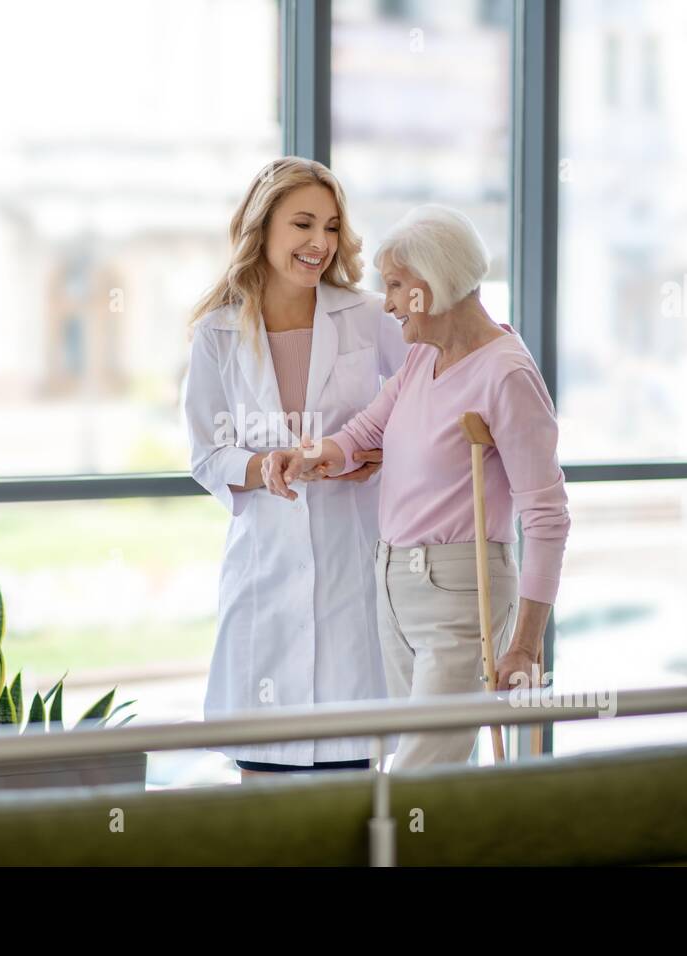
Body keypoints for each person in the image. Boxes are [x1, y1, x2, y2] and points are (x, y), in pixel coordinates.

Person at [262, 204, 571, 771]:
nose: (389, 303)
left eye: (398, 287)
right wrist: (305, 456)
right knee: (434, 777)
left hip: (460, 590)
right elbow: (364, 431)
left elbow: (548, 518)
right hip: (394, 587)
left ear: (435, 283)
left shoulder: (507, 373)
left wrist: (525, 643)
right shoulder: (423, 357)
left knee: (415, 777)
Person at [182, 157, 408, 779]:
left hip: (350, 559)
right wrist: (263, 466)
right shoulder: (218, 334)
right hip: (265, 569)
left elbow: (425, 395)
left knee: (352, 786)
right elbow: (206, 452)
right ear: (263, 229)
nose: (319, 243)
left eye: (331, 227)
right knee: (266, 805)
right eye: (303, 224)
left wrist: (378, 452)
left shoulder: (364, 316)